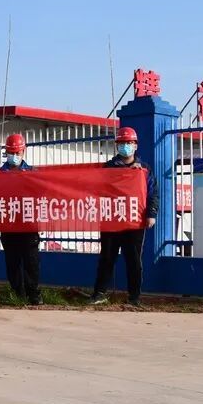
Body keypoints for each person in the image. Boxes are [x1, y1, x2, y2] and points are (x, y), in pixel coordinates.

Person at [88, 127, 160, 306]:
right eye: (122, 143)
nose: (125, 146)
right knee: (107, 257)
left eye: (129, 143)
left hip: (134, 221)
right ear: (117, 146)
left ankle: (134, 297)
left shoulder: (144, 169)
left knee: (134, 260)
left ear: (135, 145)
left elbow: (153, 193)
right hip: (112, 220)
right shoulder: (108, 168)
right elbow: (99, 190)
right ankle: (99, 293)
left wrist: (151, 214)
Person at [0, 134, 42, 305]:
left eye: (17, 152)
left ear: (24, 151)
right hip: (8, 224)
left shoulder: (33, 173)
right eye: (11, 153)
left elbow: (41, 196)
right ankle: (17, 293)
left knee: (31, 260)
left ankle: (34, 294)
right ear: (6, 152)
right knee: (12, 261)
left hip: (28, 224)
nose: (14, 156)